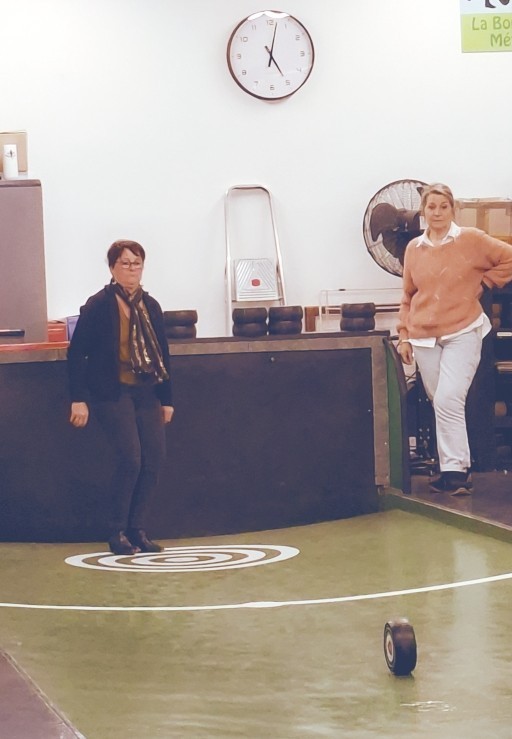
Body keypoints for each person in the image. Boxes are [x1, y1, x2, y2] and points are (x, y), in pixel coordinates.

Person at [397, 183, 512, 495]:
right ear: (423, 211)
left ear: (453, 209)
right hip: (423, 337)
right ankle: (457, 467)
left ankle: (455, 472)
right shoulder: (414, 249)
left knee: (449, 399)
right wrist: (404, 336)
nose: (437, 212)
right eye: (431, 207)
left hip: (463, 330)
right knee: (442, 402)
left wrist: (486, 282)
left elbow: (509, 258)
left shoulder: (471, 239)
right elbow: (407, 296)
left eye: (443, 206)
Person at [67, 240, 174, 554]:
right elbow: (77, 353)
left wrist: (167, 399)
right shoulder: (99, 305)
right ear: (112, 268)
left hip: (146, 391)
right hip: (112, 392)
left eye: (136, 263)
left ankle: (137, 529)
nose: (131, 269)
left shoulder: (150, 306)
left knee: (154, 459)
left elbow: (163, 355)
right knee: (131, 458)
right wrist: (78, 397)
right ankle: (117, 531)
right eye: (125, 263)